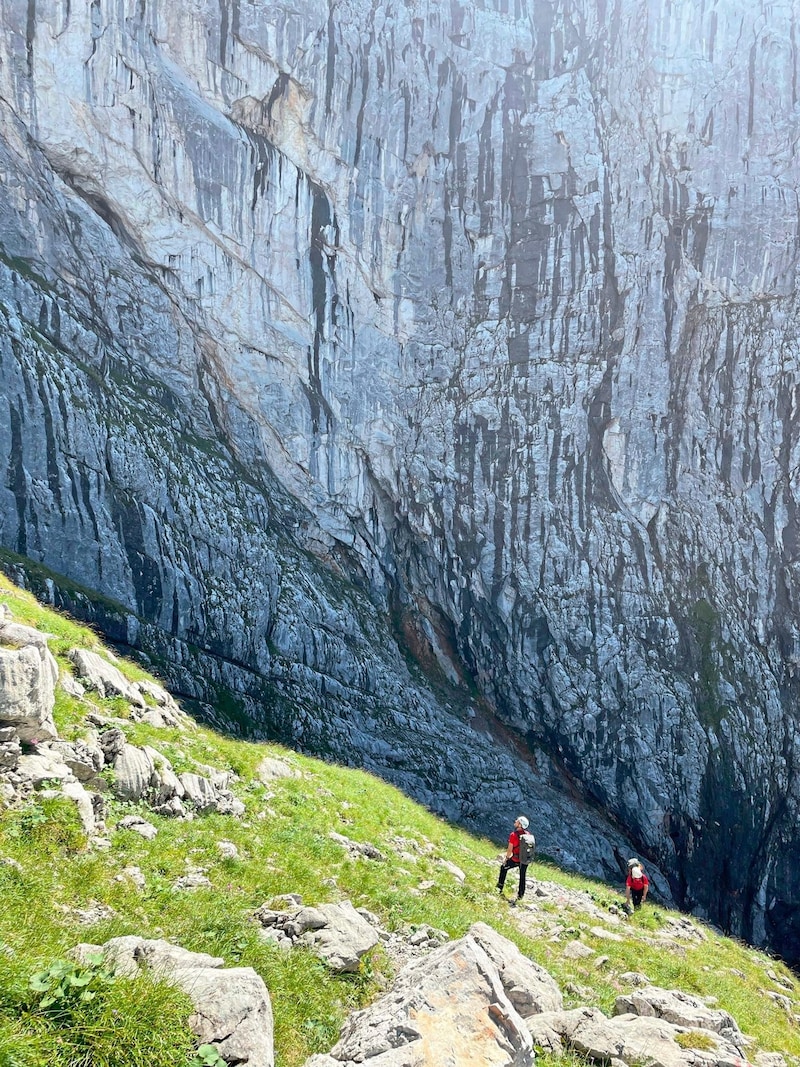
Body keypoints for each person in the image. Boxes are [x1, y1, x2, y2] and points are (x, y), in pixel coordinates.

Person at [497, 815, 531, 906]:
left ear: (520, 825)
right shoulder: (527, 834)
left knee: (503, 868)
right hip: (524, 859)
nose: (515, 821)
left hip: (516, 859)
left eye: (517, 821)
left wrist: (507, 858)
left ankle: (499, 889)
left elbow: (509, 850)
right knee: (522, 876)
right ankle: (520, 895)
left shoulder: (513, 835)